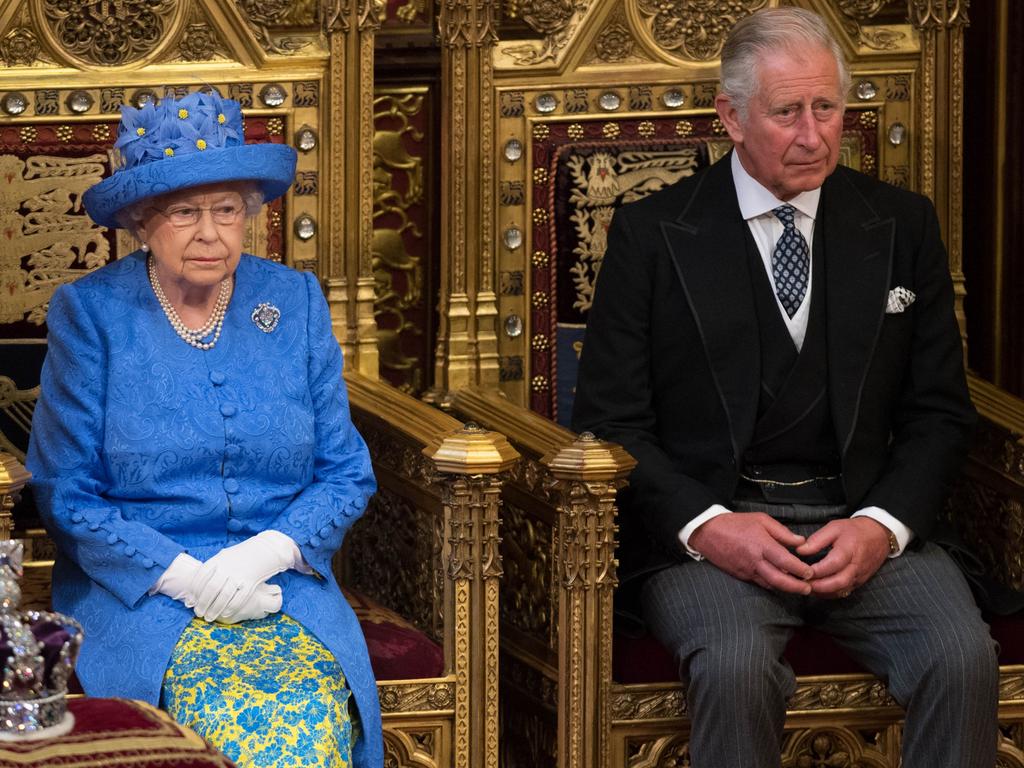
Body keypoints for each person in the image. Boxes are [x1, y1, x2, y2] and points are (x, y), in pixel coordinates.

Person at [572, 8, 998, 767]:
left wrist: (882, 527)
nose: (813, 135)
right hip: (716, 533)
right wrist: (707, 526)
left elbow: (938, 411)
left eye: (827, 108)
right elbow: (611, 422)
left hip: (862, 522)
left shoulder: (901, 226)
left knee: (960, 657)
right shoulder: (652, 234)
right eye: (786, 112)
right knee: (736, 669)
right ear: (731, 116)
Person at [26, 90, 381, 768]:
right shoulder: (91, 315)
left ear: (249, 212)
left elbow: (345, 469)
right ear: (140, 220)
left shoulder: (294, 302)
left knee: (306, 708)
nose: (210, 233)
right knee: (226, 716)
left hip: (285, 587)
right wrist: (183, 576)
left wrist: (271, 550)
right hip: (141, 594)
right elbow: (66, 494)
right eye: (185, 212)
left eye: (226, 210)